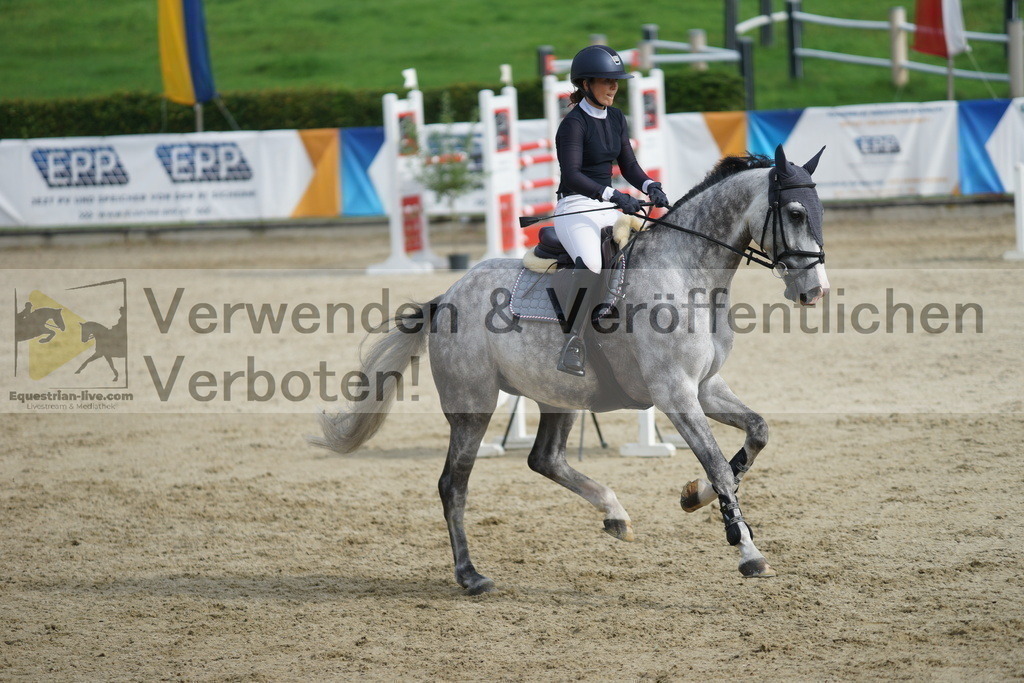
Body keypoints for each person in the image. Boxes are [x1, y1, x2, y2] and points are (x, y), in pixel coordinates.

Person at [553, 45, 671, 376]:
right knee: (592, 264)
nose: (613, 88)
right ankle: (573, 341)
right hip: (575, 206)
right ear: (586, 84)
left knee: (645, 255)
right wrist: (616, 195)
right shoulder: (573, 125)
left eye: (616, 82)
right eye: (606, 81)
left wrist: (650, 187)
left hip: (606, 205)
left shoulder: (617, 118)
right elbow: (573, 174)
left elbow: (629, 165)